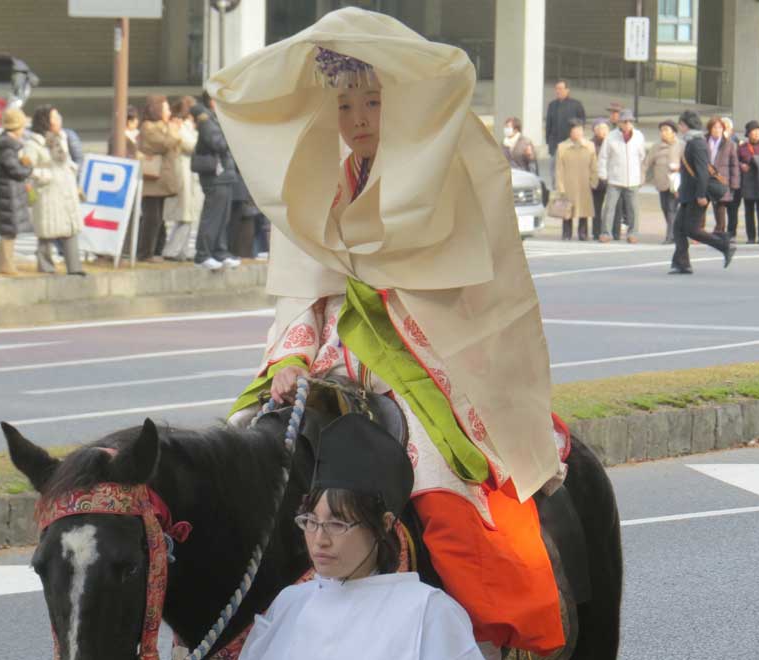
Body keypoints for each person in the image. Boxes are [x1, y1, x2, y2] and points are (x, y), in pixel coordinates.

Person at [214, 9, 568, 658]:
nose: (355, 119)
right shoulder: (326, 184)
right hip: (329, 364)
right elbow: (306, 282)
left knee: (440, 490)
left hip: (421, 363)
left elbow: (460, 292)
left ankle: (493, 637)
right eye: (344, 105)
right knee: (232, 454)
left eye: (373, 102)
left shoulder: (447, 179)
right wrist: (291, 354)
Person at [239, 414, 484, 660]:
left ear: (384, 524)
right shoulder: (289, 605)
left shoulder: (428, 611)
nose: (319, 539)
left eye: (337, 524)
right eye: (311, 522)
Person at [670, 110, 736, 275]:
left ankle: (724, 244)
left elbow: (702, 172)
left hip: (697, 195)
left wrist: (700, 195)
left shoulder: (697, 143)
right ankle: (682, 264)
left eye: (681, 124)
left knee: (692, 230)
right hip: (688, 193)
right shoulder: (691, 142)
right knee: (678, 228)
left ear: (686, 125)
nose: (679, 127)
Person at [23, 105, 85, 276]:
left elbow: (66, 161)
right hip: (47, 193)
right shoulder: (34, 143)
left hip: (66, 189)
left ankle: (75, 267)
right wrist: (45, 176)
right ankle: (45, 266)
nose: (59, 119)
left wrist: (72, 169)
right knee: (46, 230)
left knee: (70, 227)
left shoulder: (62, 138)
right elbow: (27, 168)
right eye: (55, 117)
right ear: (46, 121)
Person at [136, 94, 187, 262]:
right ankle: (145, 253)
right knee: (152, 217)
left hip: (162, 179)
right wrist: (173, 130)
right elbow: (165, 144)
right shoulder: (148, 127)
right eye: (165, 108)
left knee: (158, 217)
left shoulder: (164, 126)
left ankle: (155, 250)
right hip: (153, 180)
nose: (169, 112)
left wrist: (171, 130)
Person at [191, 97, 239, 270]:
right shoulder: (207, 120)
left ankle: (219, 251)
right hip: (215, 175)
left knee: (222, 217)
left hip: (224, 174)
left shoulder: (216, 119)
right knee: (212, 216)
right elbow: (218, 143)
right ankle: (203, 254)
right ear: (212, 100)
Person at [0, 108, 33, 275]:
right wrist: (27, 166)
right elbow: (16, 171)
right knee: (9, 229)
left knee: (9, 227)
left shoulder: (5, 145)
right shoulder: (7, 148)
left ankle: (4, 263)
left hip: (8, 191)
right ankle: (6, 264)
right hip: (8, 192)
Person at [162, 97, 202, 261]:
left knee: (190, 216)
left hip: (190, 175)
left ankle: (183, 250)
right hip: (183, 174)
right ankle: (172, 251)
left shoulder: (184, 126)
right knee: (185, 216)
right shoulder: (180, 127)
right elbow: (192, 145)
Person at [597, 109, 645, 243]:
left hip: (633, 178)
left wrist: (641, 175)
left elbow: (642, 157)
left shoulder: (639, 136)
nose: (628, 124)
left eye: (630, 121)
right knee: (609, 207)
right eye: (625, 121)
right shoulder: (611, 136)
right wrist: (603, 174)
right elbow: (603, 157)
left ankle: (633, 233)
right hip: (615, 178)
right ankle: (606, 232)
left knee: (633, 208)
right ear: (620, 123)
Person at [555, 118, 598, 240]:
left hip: (584, 183)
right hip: (568, 184)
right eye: (575, 130)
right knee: (567, 210)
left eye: (580, 130)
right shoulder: (562, 147)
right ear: (570, 132)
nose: (578, 133)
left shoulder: (589, 146)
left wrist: (593, 181)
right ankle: (566, 233)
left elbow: (594, 166)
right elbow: (559, 169)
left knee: (583, 209)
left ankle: (583, 233)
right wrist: (560, 187)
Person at [644, 120, 682, 244]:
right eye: (662, 130)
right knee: (665, 208)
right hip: (661, 183)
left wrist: (679, 168)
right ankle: (676, 233)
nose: (663, 133)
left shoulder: (681, 145)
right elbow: (647, 163)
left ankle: (670, 236)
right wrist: (641, 177)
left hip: (675, 184)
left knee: (672, 208)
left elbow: (688, 164)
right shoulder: (656, 146)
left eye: (666, 130)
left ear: (674, 132)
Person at [545, 79, 585, 188]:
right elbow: (549, 125)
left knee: (570, 173)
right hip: (555, 145)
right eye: (556, 89)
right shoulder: (552, 105)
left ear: (567, 90)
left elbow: (581, 123)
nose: (558, 91)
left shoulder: (576, 105)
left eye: (560, 89)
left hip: (570, 145)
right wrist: (549, 142)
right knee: (555, 173)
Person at [704, 116, 740, 236]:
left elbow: (734, 164)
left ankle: (720, 230)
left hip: (721, 179)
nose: (717, 130)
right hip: (705, 178)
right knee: (702, 204)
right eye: (715, 127)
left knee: (720, 206)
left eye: (720, 127)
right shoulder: (703, 142)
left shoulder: (729, 144)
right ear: (710, 128)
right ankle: (699, 230)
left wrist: (734, 183)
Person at [737, 120, 759, 243]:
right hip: (748, 183)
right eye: (753, 131)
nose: (756, 134)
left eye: (758, 131)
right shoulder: (742, 148)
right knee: (748, 211)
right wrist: (741, 165)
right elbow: (736, 161)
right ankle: (751, 237)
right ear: (748, 134)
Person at [721, 117, 744, 239]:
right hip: (720, 179)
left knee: (733, 207)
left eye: (726, 127)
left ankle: (731, 232)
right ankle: (720, 230)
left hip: (735, 179)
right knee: (719, 207)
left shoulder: (738, 143)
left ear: (731, 130)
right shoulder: (715, 142)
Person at [589, 119, 610, 240]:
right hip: (596, 179)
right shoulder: (590, 144)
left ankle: (612, 231)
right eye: (600, 129)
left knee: (612, 207)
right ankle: (596, 232)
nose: (603, 131)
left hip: (611, 178)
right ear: (595, 131)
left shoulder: (612, 142)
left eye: (605, 129)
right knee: (596, 207)